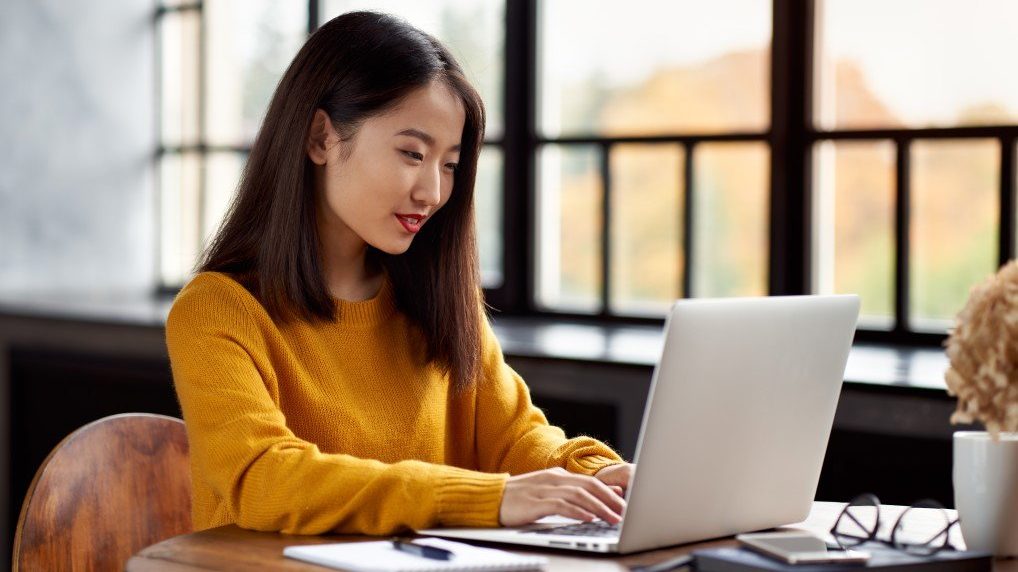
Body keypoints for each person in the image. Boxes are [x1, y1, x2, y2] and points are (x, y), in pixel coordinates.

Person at [165, 10, 633, 536]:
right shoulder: (216, 311)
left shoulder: (436, 301)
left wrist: (600, 477)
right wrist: (484, 496)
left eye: (450, 164)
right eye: (412, 153)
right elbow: (265, 478)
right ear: (321, 138)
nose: (431, 192)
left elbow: (518, 440)